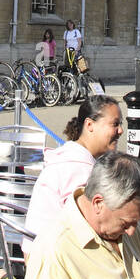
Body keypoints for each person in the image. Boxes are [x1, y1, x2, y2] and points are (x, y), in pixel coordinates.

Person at [23, 95, 123, 247]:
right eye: (115, 124)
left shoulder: (70, 156)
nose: (121, 130)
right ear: (89, 125)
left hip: (41, 249)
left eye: (120, 124)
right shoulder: (78, 168)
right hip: (50, 259)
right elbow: (90, 227)